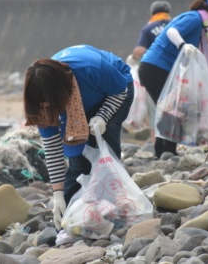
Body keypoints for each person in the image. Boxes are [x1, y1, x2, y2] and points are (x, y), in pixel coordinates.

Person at [23, 44, 133, 236]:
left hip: (114, 92)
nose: (46, 107)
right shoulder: (41, 100)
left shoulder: (92, 68)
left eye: (49, 103)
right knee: (78, 161)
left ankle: (115, 212)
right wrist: (58, 195)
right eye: (43, 105)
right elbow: (53, 149)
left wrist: (103, 116)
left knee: (105, 151)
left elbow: (120, 90)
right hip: (74, 102)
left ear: (60, 93)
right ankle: (69, 219)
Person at [138, 0, 208, 159]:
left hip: (159, 69)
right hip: (155, 68)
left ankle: (164, 152)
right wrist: (183, 45)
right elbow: (171, 31)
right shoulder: (194, 18)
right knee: (173, 109)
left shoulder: (201, 24)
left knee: (171, 109)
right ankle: (166, 153)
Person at [125, 0, 172, 142]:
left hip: (154, 72)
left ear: (152, 13)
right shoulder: (175, 25)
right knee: (172, 106)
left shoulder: (149, 28)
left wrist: (132, 59)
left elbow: (139, 51)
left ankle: (157, 144)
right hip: (175, 72)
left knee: (154, 108)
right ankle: (172, 141)